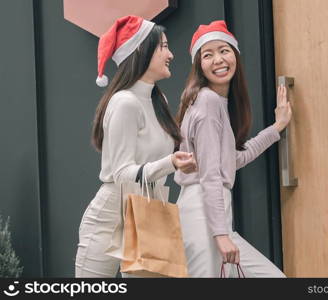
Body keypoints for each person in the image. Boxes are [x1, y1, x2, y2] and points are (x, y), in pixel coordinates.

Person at [75, 15, 196, 278]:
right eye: (164, 46)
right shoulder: (125, 102)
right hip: (110, 217)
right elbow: (121, 174)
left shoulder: (158, 99)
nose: (171, 54)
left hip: (150, 210)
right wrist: (170, 163)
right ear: (141, 50)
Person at [174, 20, 292, 277]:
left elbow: (231, 160)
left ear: (235, 55)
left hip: (210, 210)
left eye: (224, 50)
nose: (218, 59)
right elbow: (210, 175)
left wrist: (277, 127)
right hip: (203, 210)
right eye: (208, 55)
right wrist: (220, 234)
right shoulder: (207, 102)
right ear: (199, 65)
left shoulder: (216, 102)